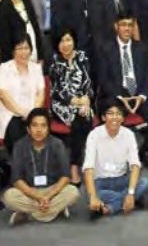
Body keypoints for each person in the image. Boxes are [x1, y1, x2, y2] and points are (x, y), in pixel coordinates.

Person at [97, 12, 148, 159]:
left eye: (130, 25)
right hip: (117, 96)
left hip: (139, 95)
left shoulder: (142, 48)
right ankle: (117, 157)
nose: (127, 29)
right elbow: (104, 80)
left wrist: (141, 96)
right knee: (112, 116)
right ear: (116, 27)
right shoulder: (105, 49)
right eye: (123, 25)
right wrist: (123, 97)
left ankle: (147, 152)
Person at [2, 108, 79, 225]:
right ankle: (53, 211)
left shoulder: (57, 144)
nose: (39, 130)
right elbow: (17, 180)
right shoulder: (19, 146)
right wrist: (38, 197)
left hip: (53, 190)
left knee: (73, 192)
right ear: (28, 129)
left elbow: (66, 176)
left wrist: (48, 196)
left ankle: (27, 213)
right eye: (35, 125)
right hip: (29, 192)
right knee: (9, 196)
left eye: (43, 126)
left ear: (48, 129)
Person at [82, 100, 147, 219]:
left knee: (144, 183)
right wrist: (93, 196)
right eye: (110, 113)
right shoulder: (94, 135)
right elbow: (88, 168)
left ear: (123, 118)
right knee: (90, 193)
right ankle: (123, 201)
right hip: (100, 181)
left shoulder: (128, 135)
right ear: (103, 117)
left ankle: (107, 208)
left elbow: (135, 165)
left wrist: (131, 193)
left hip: (121, 179)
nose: (115, 117)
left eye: (118, 114)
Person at [47, 29, 94, 185]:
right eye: (61, 41)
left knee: (85, 118)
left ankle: (80, 163)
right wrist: (76, 101)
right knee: (78, 120)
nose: (65, 44)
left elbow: (89, 82)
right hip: (62, 103)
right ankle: (75, 166)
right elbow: (57, 90)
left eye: (68, 40)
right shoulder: (54, 62)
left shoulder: (83, 57)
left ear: (73, 40)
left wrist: (86, 99)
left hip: (83, 100)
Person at [0, 34, 46, 154]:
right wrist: (23, 112)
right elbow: (3, 96)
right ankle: (19, 168)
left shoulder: (36, 68)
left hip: (33, 114)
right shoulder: (5, 68)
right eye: (19, 48)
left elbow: (40, 94)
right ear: (13, 51)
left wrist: (32, 113)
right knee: (18, 137)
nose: (23, 52)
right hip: (10, 114)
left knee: (38, 132)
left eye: (26, 48)